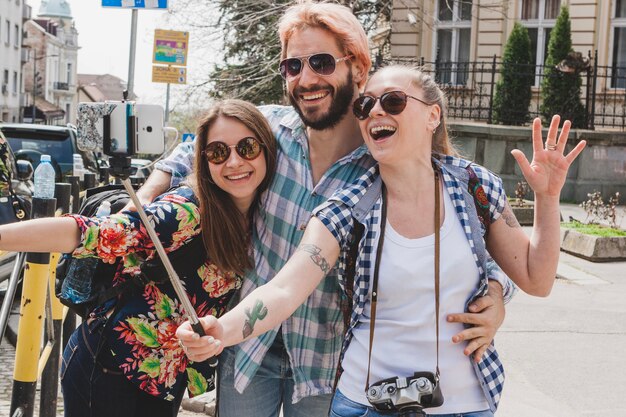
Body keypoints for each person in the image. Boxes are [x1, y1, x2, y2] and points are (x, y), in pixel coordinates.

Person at [130, 3, 512, 416]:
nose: (306, 78)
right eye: (292, 66)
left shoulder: (386, 158)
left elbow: (463, 242)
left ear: (359, 68)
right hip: (248, 349)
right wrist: (148, 194)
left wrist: (495, 294)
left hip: (327, 363)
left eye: (322, 62)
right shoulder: (268, 132)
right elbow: (195, 150)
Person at [176, 65, 587, 416]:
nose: (374, 111)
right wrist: (221, 330)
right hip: (364, 403)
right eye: (364, 105)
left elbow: (537, 279)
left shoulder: (474, 187)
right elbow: (284, 289)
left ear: (433, 117)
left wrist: (547, 198)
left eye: (392, 101)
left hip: (466, 402)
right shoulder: (347, 207)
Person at [0, 99, 277, 417]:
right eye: (218, 152)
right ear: (204, 161)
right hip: (109, 368)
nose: (233, 162)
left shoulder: (260, 214)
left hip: (164, 377)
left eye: (247, 147)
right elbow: (91, 233)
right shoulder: (186, 212)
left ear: (266, 149)